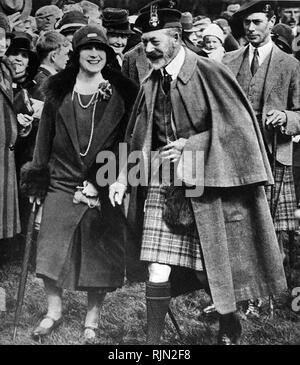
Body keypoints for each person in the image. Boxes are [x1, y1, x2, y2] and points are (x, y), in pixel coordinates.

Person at [109, 0, 287, 345]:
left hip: (208, 179)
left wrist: (192, 146)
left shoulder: (210, 72)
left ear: (176, 38)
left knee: (212, 263)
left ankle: (228, 321)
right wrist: (120, 178)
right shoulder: (149, 83)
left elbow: (238, 129)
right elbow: (136, 137)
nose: (147, 49)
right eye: (144, 41)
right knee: (157, 265)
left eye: (154, 41)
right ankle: (153, 341)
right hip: (164, 181)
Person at [20, 24, 138, 343]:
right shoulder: (59, 89)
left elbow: (125, 143)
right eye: (88, 49)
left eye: (101, 49)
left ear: (108, 54)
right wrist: (38, 178)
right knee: (50, 248)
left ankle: (92, 318)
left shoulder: (120, 93)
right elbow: (44, 138)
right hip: (60, 178)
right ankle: (53, 310)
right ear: (77, 53)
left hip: (100, 180)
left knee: (97, 254)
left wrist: (100, 182)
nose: (95, 54)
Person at [223, 1, 300, 290]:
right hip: (234, 154)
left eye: (257, 22)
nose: (251, 28)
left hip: (272, 154)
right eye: (246, 23)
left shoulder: (291, 65)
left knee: (269, 227)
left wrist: (286, 116)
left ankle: (271, 289)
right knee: (237, 222)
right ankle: (241, 290)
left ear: (272, 21)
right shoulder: (228, 61)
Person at [0, 13, 21, 257]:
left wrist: (19, 123)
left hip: (6, 149)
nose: (3, 44)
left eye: (5, 38)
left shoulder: (5, 68)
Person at [30, 31, 70, 101]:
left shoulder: (43, 77)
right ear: (53, 56)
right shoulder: (46, 83)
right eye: (65, 54)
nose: (68, 59)